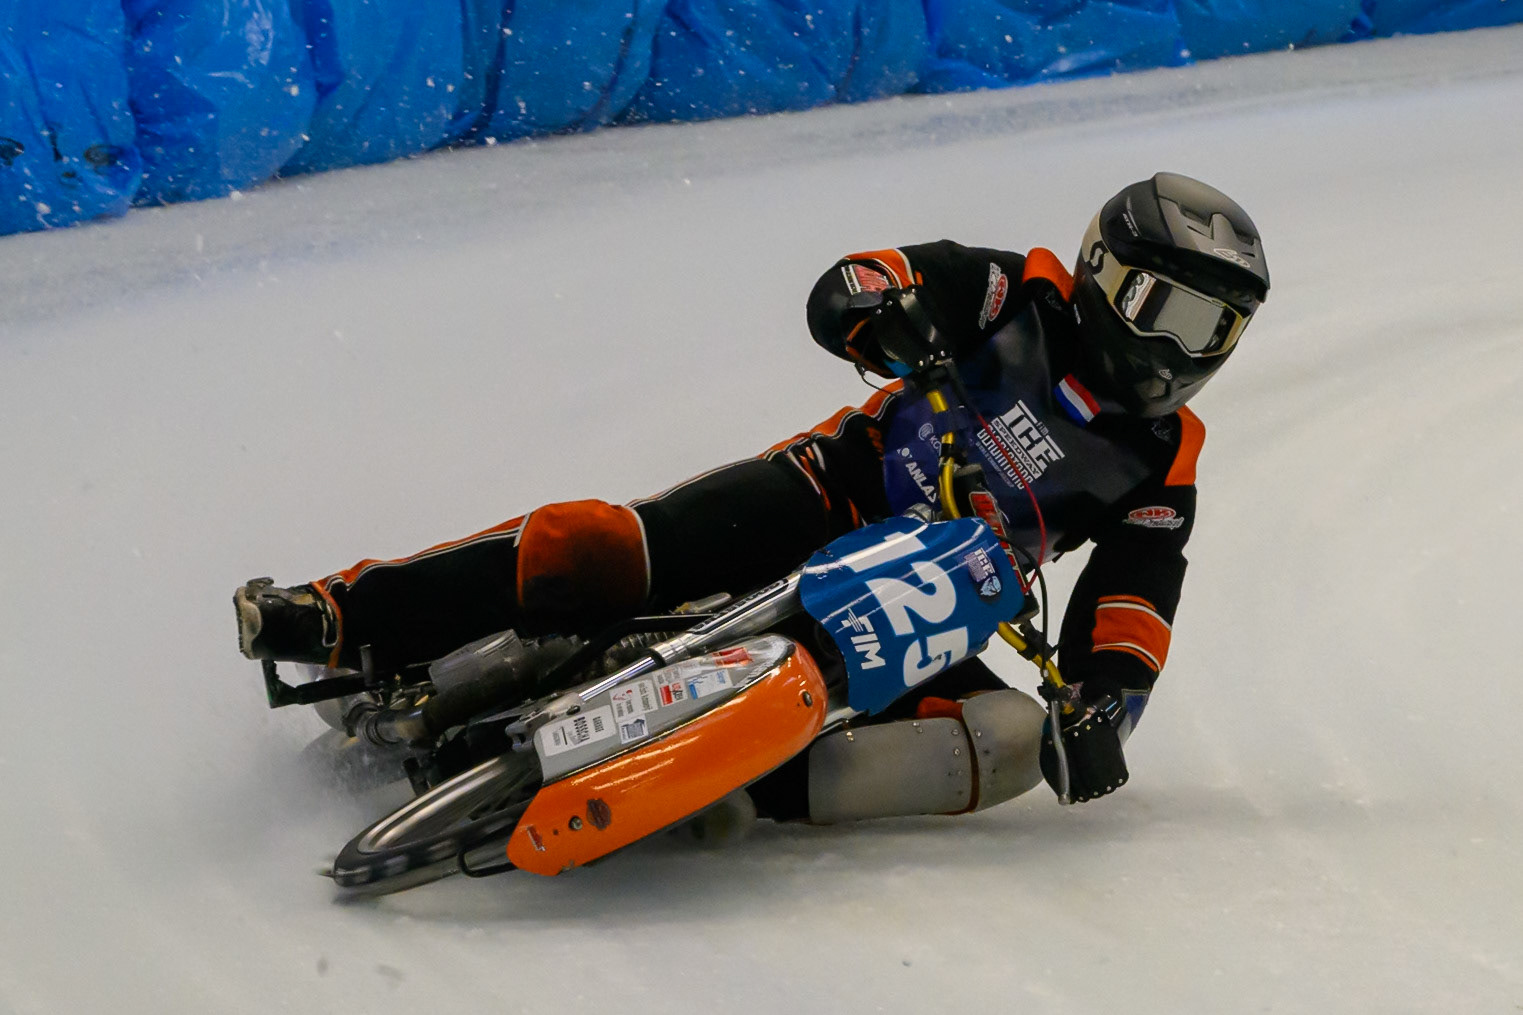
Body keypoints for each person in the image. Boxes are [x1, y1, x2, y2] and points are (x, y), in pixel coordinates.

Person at [236, 171, 1269, 816]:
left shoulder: (1162, 461)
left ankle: (724, 793)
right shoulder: (1014, 292)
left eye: (1211, 329)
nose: (1179, 351)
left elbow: (1132, 603)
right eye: (1165, 310)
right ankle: (339, 612)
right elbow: (859, 282)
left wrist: (1102, 711)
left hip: (921, 613)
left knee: (1000, 744)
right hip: (825, 498)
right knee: (608, 547)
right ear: (1102, 272)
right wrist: (883, 314)